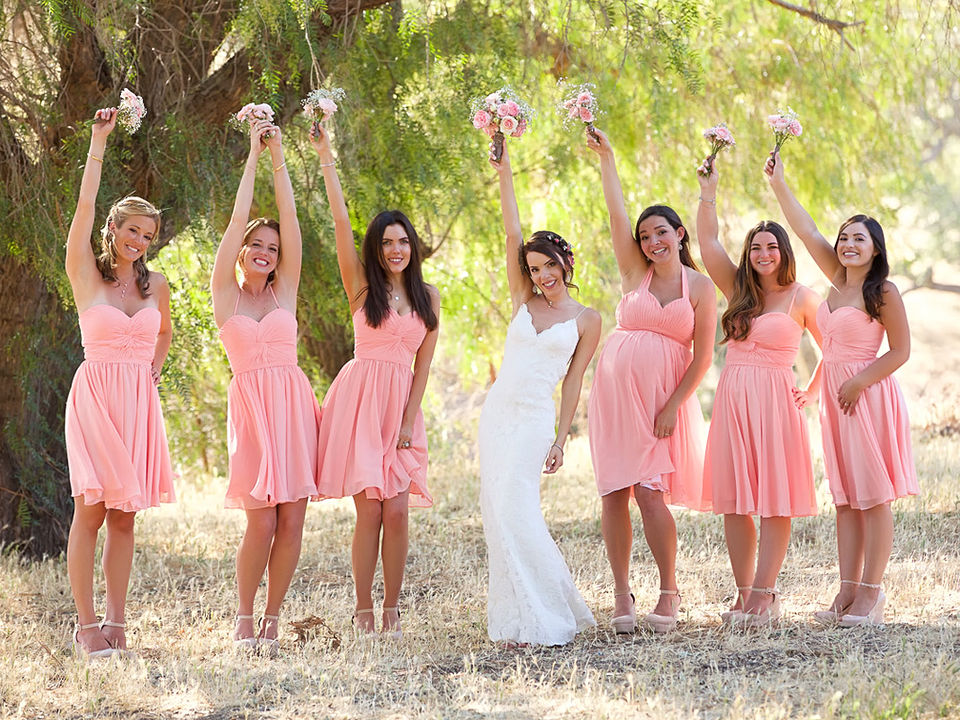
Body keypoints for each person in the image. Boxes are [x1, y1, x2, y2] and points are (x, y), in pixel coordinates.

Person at [766, 152, 918, 627]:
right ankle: (847, 591)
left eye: (860, 238)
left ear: (876, 248)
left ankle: (873, 594)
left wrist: (856, 381)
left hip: (866, 396)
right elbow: (807, 230)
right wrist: (778, 185)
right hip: (835, 401)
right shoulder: (833, 283)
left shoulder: (883, 292)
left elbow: (900, 352)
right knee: (846, 498)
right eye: (845, 237)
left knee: (873, 496)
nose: (849, 244)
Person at [310, 123, 440, 639]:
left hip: (402, 406)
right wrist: (325, 155)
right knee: (370, 512)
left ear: (413, 247)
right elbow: (341, 222)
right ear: (376, 247)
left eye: (403, 241)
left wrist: (408, 422)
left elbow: (424, 366)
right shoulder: (362, 289)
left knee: (399, 510)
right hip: (362, 401)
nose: (395, 249)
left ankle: (391, 608)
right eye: (386, 242)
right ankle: (364, 608)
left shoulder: (429, 296)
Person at [586, 129, 717, 634]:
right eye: (646, 237)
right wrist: (608, 158)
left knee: (650, 493)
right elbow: (616, 214)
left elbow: (703, 357)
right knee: (614, 492)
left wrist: (674, 406)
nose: (652, 242)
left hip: (661, 400)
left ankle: (668, 590)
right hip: (615, 396)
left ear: (680, 234)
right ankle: (621, 593)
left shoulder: (699, 287)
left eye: (662, 232)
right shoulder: (632, 273)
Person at [479, 140, 601, 647]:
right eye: (532, 268)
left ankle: (551, 614)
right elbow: (510, 231)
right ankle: (514, 619)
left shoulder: (586, 319)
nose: (541, 275)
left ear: (565, 263)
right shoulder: (522, 301)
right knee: (494, 512)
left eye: (548, 265)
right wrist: (504, 170)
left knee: (516, 508)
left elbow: (574, 381)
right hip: (497, 414)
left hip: (533, 420)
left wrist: (562, 439)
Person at [64, 107, 175, 658]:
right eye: (132, 229)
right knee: (92, 510)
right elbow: (84, 206)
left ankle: (117, 623)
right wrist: (98, 142)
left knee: (125, 516)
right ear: (114, 228)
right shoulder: (86, 272)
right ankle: (86, 628)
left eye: (148, 235)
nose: (139, 240)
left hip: (137, 399)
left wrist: (151, 370)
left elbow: (165, 334)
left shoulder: (156, 284)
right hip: (95, 397)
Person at [695, 155, 822, 627]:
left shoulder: (803, 298)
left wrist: (810, 391)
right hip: (733, 398)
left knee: (774, 497)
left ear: (784, 252)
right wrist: (708, 191)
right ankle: (744, 591)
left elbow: (838, 350)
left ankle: (765, 595)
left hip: (774, 402)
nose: (763, 254)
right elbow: (707, 242)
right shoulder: (738, 290)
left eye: (771, 246)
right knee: (733, 498)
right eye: (755, 248)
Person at [211, 116, 321, 653]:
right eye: (257, 244)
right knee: (260, 522)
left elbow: (293, 220)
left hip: (293, 404)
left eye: (273, 248)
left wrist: (280, 154)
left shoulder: (286, 291)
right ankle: (244, 616)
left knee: (292, 518)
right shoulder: (225, 295)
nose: (266, 252)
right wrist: (252, 153)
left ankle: (274, 618)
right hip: (252, 410)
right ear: (242, 250)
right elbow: (235, 221)